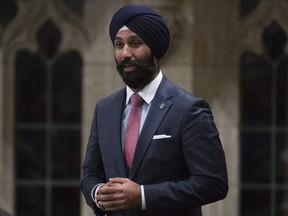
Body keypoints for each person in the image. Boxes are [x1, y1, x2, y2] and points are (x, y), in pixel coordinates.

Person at [81, 4, 228, 216]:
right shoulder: (105, 109)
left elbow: (213, 183)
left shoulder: (189, 109)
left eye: (135, 43)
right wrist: (98, 194)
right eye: (119, 44)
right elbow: (90, 173)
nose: (125, 53)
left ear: (155, 49)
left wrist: (142, 196)